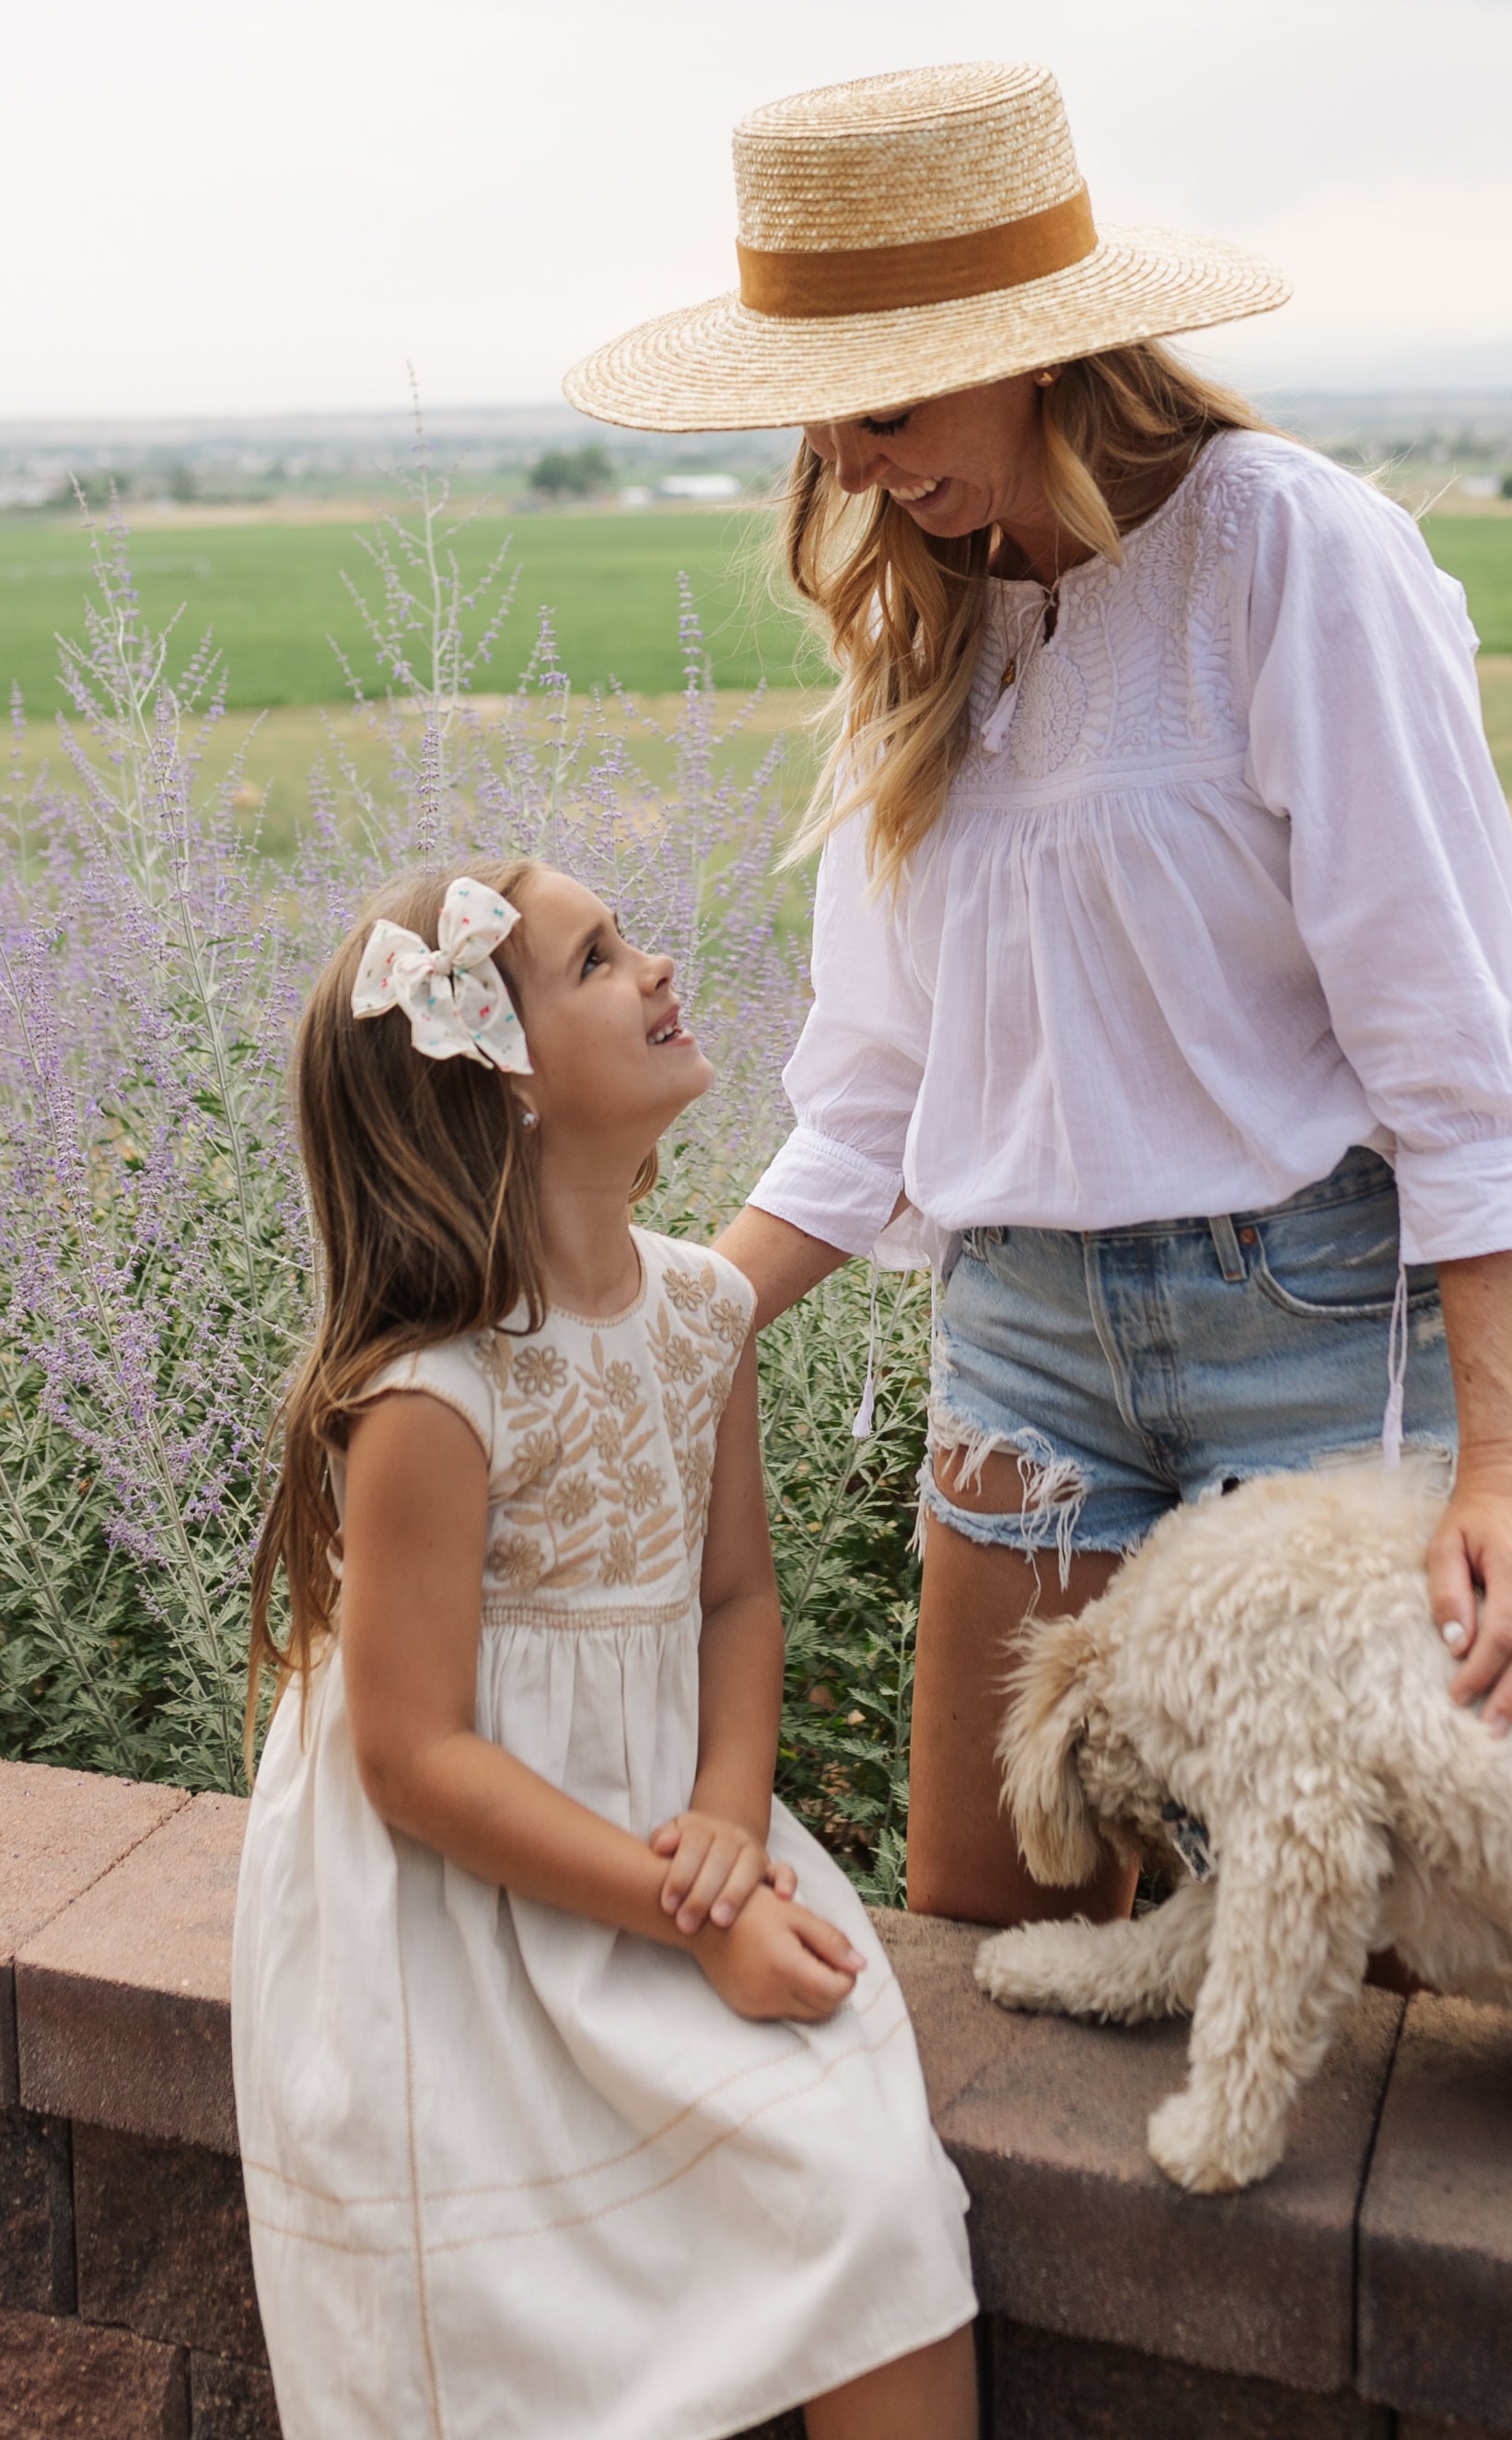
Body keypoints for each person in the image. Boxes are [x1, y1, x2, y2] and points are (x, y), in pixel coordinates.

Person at [564, 61, 1512, 1932]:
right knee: (987, 1920)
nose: (857, 472)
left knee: (1345, 1956)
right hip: (1030, 1340)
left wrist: (1507, 1479)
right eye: (818, 436)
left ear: (1036, 352)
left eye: (882, 411)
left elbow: (1460, 1064)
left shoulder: (1289, 556)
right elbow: (879, 1095)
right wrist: (669, 1328)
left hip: (1313, 1322)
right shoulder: (937, 628)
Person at [233, 866, 976, 2440]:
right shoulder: (433, 1400)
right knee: (509, 2322)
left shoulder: (702, 1313)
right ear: (502, 1087)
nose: (655, 965)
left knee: (877, 2207)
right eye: (597, 957)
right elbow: (412, 1758)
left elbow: (733, 1604)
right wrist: (681, 1913)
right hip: (461, 1911)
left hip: (669, 1835)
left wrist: (724, 1819)